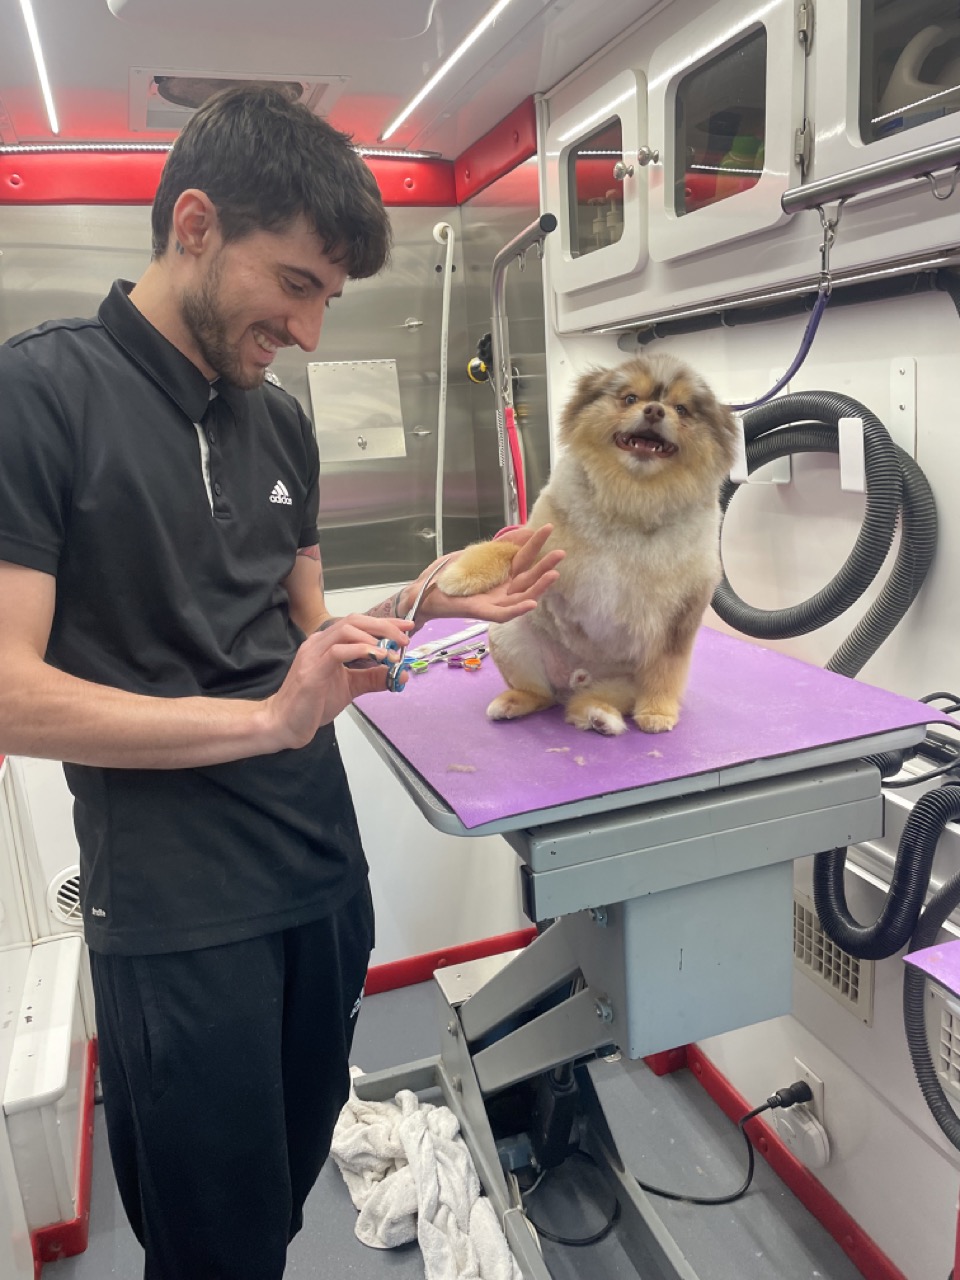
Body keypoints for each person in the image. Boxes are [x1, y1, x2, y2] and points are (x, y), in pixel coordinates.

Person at [0, 85, 561, 1280]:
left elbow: (309, 637)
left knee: (286, 1196)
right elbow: (8, 691)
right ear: (194, 224)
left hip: (320, 876)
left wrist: (421, 604)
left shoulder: (279, 422)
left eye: (330, 298)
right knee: (217, 1244)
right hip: (180, 916)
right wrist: (270, 714)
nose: (309, 331)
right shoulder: (40, 397)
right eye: (296, 284)